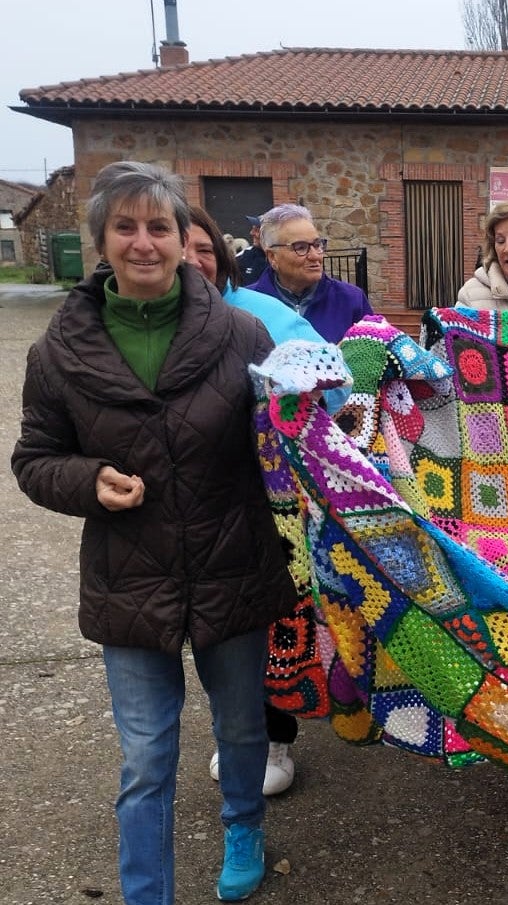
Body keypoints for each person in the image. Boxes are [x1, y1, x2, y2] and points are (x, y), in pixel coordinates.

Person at [11, 161, 296, 904]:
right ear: (101, 238)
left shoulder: (242, 333)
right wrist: (88, 481)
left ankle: (243, 825)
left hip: (232, 560)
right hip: (129, 575)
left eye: (159, 226)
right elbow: (35, 459)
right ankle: (147, 892)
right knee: (145, 757)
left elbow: (291, 432)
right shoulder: (58, 353)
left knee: (240, 729)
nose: (144, 242)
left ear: (181, 238)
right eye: (126, 226)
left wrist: (335, 425)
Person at [184, 205, 353, 798]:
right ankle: (237, 731)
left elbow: (337, 379)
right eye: (176, 244)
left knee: (270, 615)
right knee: (213, 628)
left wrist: (297, 396)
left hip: (266, 498)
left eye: (201, 247)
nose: (188, 259)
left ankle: (270, 734)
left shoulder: (256, 312)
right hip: (187, 507)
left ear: (223, 254)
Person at [247, 204, 373, 342]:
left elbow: (375, 356)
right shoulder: (248, 304)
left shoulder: (351, 300)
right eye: (300, 248)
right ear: (272, 257)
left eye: (317, 245)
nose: (315, 256)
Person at [236, 215, 268, 285]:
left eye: (256, 230)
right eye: (252, 229)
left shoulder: (282, 258)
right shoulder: (244, 255)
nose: (251, 233)